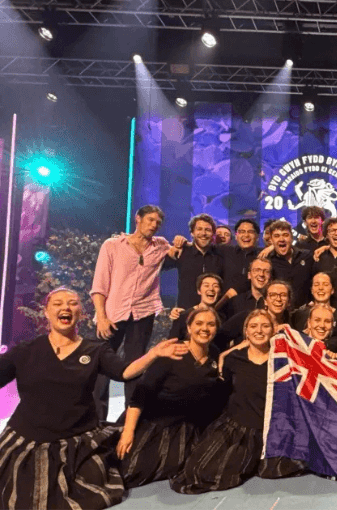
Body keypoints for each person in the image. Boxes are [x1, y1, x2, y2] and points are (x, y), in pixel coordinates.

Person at [0, 288, 186, 510]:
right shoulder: (25, 351)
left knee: (82, 497)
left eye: (73, 303)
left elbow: (125, 372)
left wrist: (153, 354)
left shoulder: (95, 350)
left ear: (81, 313)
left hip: (77, 443)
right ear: (47, 312)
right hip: (28, 441)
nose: (65, 307)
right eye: (57, 304)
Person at [170, 310, 306, 494]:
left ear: (274, 330)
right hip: (236, 428)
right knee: (199, 471)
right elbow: (220, 397)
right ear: (246, 332)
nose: (259, 330)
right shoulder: (233, 359)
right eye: (253, 326)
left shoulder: (283, 361)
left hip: (270, 432)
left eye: (265, 326)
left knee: (275, 470)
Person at [117, 308, 228, 488]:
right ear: (189, 328)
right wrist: (128, 432)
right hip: (156, 424)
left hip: (188, 428)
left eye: (211, 324)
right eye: (199, 323)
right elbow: (140, 394)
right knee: (130, 472)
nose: (205, 328)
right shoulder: (171, 353)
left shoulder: (215, 354)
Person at [90, 204, 174, 420]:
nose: (154, 225)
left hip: (142, 314)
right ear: (138, 219)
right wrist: (101, 317)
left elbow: (181, 250)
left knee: (137, 363)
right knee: (101, 364)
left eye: (158, 222)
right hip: (112, 314)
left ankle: (131, 417)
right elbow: (99, 284)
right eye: (150, 220)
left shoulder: (161, 246)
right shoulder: (113, 245)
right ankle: (97, 417)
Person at [165, 213, 224, 309]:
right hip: (186, 312)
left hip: (214, 312)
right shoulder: (182, 251)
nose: (203, 233)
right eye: (199, 229)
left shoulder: (221, 254)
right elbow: (157, 267)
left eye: (208, 230)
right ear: (192, 233)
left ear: (213, 234)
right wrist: (171, 252)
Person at [215, 280, 293, 350]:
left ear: (289, 301)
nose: (278, 299)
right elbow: (218, 339)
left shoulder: (293, 322)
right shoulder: (247, 317)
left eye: (283, 295)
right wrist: (226, 354)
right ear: (265, 300)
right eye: (273, 295)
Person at [263, 220, 314, 308]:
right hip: (280, 312)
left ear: (291, 237)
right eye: (276, 236)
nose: (281, 239)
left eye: (285, 235)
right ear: (271, 240)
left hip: (305, 313)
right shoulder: (267, 261)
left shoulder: (307, 256)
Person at [169, 273, 224, 340]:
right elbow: (172, 342)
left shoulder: (222, 317)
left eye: (216, 286)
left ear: (220, 292)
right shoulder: (184, 316)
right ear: (199, 291)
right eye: (206, 285)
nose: (211, 289)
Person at [218, 218, 261, 296]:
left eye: (250, 232)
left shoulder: (263, 255)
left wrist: (271, 248)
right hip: (227, 304)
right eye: (242, 232)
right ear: (236, 236)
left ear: (257, 236)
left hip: (254, 305)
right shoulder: (225, 251)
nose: (246, 235)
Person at [218, 257, 270, 322]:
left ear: (271, 277)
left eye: (266, 271)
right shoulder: (235, 302)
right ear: (249, 275)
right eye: (257, 270)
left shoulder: (274, 303)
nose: (261, 274)